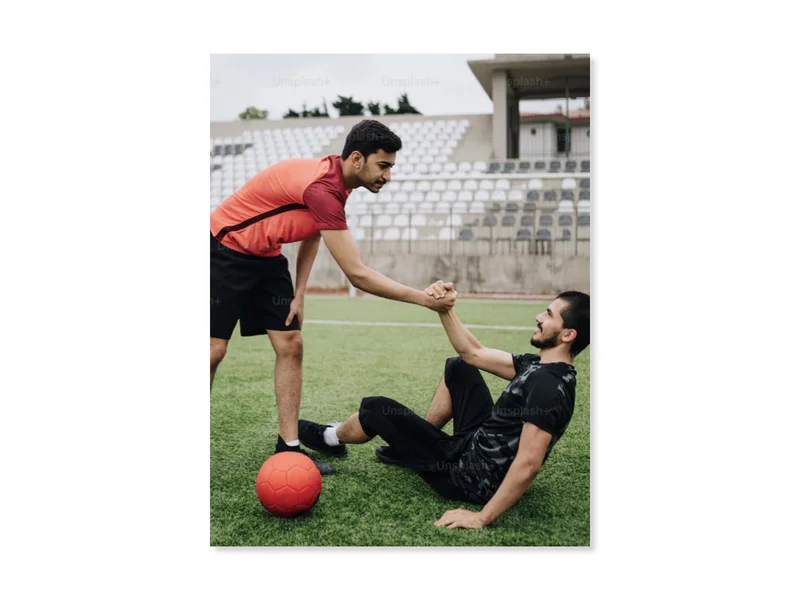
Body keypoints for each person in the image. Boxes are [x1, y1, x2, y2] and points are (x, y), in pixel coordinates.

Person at [210, 120, 456, 474]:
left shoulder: (338, 181)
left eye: (391, 167)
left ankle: (289, 449)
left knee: (291, 343)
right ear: (357, 159)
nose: (387, 176)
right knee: (214, 351)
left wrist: (299, 293)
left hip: (265, 257)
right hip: (224, 247)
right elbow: (357, 274)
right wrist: (424, 299)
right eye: (383, 166)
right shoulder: (324, 188)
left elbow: (313, 231)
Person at [298, 283, 589, 527]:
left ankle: (331, 438)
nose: (539, 316)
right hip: (477, 445)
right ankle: (408, 450)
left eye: (549, 315)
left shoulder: (548, 387)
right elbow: (472, 353)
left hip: (469, 477)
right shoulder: (540, 366)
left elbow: (529, 464)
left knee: (376, 408)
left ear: (567, 335)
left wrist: (481, 517)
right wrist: (445, 310)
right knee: (460, 367)